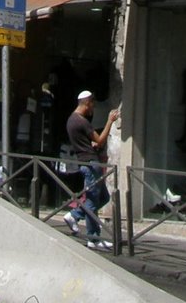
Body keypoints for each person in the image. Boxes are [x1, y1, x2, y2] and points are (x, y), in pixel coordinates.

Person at [64, 90, 118, 251]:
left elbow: (83, 143)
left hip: (85, 160)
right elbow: (100, 141)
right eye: (92, 104)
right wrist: (110, 121)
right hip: (90, 163)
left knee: (103, 197)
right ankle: (93, 238)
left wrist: (90, 145)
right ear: (87, 103)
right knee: (93, 201)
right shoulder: (82, 122)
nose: (93, 108)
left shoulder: (71, 120)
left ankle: (74, 215)